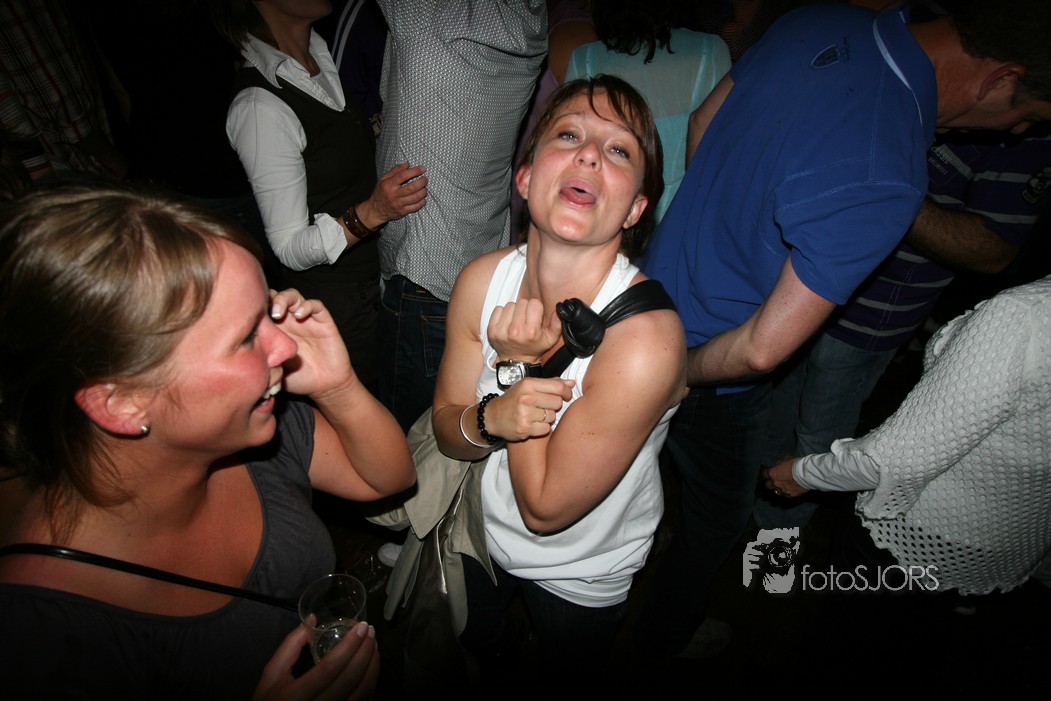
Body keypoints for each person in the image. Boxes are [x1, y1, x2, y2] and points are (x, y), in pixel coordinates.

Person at [637, 0, 1051, 659]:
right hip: (713, 364)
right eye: (1027, 116)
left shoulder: (817, 18)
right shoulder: (890, 169)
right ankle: (663, 639)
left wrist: (713, 231)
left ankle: (657, 543)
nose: (1016, 132)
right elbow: (762, 349)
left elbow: (705, 121)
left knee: (641, 454)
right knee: (718, 516)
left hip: (646, 294)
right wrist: (673, 372)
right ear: (1001, 77)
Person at [0, 183, 416, 699]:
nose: (286, 345)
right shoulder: (39, 633)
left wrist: (337, 386)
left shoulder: (249, 428)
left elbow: (387, 480)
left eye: (267, 311)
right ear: (122, 403)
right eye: (245, 337)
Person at [431, 75, 686, 691]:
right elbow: (445, 429)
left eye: (619, 149)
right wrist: (490, 420)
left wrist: (518, 366)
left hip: (580, 567)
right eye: (569, 135)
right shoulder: (482, 281)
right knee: (478, 641)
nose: (590, 154)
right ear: (525, 178)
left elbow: (544, 510)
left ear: (635, 209)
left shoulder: (645, 340)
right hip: (477, 530)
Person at [762, 272, 1051, 690]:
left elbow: (892, 463)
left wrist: (799, 474)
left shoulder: (1024, 315)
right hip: (1010, 540)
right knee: (909, 646)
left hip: (918, 530)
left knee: (845, 647)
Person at [756, 126, 1051, 530]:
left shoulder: (1024, 141)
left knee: (816, 443)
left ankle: (774, 546)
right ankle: (761, 516)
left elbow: (994, 249)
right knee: (777, 417)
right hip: (805, 294)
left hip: (868, 323)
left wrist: (890, 191)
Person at [218, 0, 427, 392]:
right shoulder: (259, 105)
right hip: (337, 307)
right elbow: (288, 246)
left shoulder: (317, 56)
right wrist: (373, 211)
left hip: (373, 282)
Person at [375, 0, 548, 432]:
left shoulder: (428, 11)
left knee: (408, 441)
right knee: (458, 428)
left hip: (422, 269)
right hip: (485, 272)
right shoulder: (531, 16)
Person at [566, 0, 732, 222]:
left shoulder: (585, 57)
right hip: (686, 218)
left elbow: (572, 154)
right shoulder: (711, 50)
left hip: (609, 217)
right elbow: (723, 154)